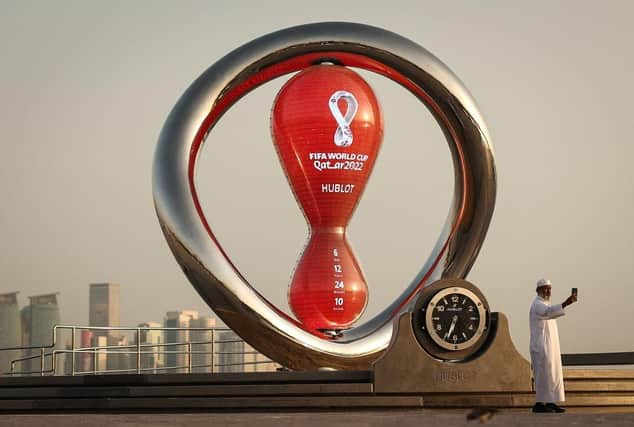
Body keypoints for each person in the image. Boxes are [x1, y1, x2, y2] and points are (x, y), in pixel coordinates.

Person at [529, 278, 577, 413]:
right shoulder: (537, 304)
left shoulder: (545, 303)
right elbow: (548, 312)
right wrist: (566, 303)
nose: (548, 291)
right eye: (545, 288)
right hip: (541, 347)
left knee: (552, 374)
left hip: (550, 347)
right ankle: (540, 403)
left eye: (549, 288)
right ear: (538, 290)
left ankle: (550, 402)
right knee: (543, 375)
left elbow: (550, 310)